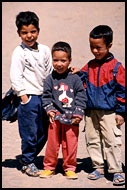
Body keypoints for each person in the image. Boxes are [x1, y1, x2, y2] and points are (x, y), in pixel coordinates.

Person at [72, 25, 125, 185]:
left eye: (99, 48)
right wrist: (77, 72)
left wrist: (121, 112)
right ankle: (98, 167)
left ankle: (116, 170)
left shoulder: (117, 67)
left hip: (109, 112)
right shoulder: (89, 65)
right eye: (92, 47)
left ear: (109, 45)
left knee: (111, 141)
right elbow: (82, 77)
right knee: (92, 139)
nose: (95, 51)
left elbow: (122, 91)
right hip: (90, 112)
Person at [10, 11, 53, 176]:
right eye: (24, 32)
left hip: (45, 97)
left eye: (32, 31)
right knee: (29, 132)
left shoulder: (44, 50)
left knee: (44, 131)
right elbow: (15, 76)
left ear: (38, 31)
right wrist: (24, 97)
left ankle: (28, 157)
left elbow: (49, 72)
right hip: (28, 98)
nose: (29, 36)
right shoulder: (19, 52)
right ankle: (28, 162)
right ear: (19, 33)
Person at [39, 41, 87, 179]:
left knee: (70, 145)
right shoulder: (50, 79)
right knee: (52, 145)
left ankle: (70, 167)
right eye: (55, 60)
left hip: (72, 119)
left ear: (70, 60)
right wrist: (50, 110)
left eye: (63, 60)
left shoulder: (75, 79)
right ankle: (49, 167)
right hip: (55, 118)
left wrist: (78, 113)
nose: (59, 64)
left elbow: (81, 96)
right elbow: (46, 97)